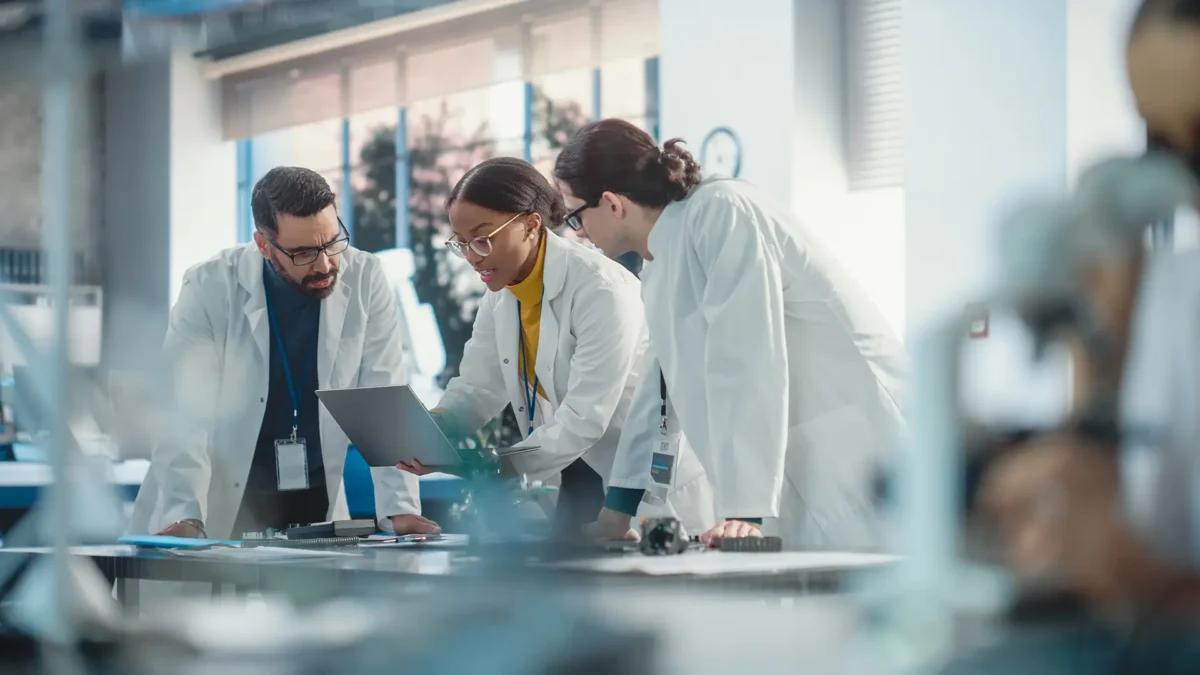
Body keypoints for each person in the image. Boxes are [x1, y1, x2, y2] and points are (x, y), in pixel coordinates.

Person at [553, 119, 908, 549]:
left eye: (575, 216)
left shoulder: (720, 211)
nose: (578, 232)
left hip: (848, 446)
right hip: (796, 468)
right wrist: (618, 512)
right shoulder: (660, 261)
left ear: (611, 203)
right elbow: (660, 392)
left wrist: (744, 511)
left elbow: (747, 356)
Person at [396, 157, 716, 538]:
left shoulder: (599, 288)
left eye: (482, 239)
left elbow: (584, 419)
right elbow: (477, 388)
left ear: (531, 224)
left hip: (642, 485)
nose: (470, 256)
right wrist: (436, 428)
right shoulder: (502, 297)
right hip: (574, 482)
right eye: (461, 243)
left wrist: (489, 463)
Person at [129, 166, 439, 540]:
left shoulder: (366, 277)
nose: (325, 264)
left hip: (316, 501)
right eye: (304, 252)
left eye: (332, 242)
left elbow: (382, 399)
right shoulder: (209, 285)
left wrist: (400, 509)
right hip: (219, 503)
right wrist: (186, 513)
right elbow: (183, 414)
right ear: (264, 245)